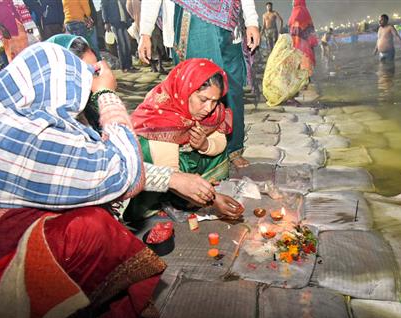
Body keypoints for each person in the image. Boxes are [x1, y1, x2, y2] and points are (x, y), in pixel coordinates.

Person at [0, 43, 216, 318]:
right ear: (60, 79)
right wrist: (107, 96)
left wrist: (176, 177)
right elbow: (119, 172)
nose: (92, 83)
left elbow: (85, 165)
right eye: (86, 74)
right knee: (94, 228)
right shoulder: (40, 134)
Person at [137, 0, 260, 169]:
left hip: (228, 22)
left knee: (232, 90)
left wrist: (251, 21)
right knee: (202, 88)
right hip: (192, 17)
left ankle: (233, 148)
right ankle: (201, 157)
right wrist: (145, 33)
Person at [124, 58, 244, 222]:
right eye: (203, 100)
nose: (209, 109)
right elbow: (170, 174)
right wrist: (212, 199)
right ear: (186, 90)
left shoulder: (211, 110)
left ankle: (195, 191)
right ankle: (169, 199)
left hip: (185, 155)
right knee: (176, 171)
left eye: (214, 101)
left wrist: (205, 145)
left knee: (217, 152)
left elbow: (220, 141)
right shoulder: (161, 115)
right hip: (161, 167)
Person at [262, 34, 310, 107]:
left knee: (287, 75)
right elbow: (300, 59)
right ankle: (288, 97)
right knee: (303, 75)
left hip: (269, 93)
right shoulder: (288, 53)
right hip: (279, 91)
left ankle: (286, 97)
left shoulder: (274, 54)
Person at [101, 0, 133, 72]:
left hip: (124, 22)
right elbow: (103, 8)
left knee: (128, 44)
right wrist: (106, 22)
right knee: (121, 45)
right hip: (114, 23)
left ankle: (130, 65)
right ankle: (124, 67)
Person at [289, 0, 318, 74]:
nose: (292, 3)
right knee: (307, 60)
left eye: (293, 1)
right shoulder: (305, 11)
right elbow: (310, 29)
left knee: (301, 61)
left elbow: (294, 25)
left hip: (299, 42)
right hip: (306, 42)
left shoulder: (297, 11)